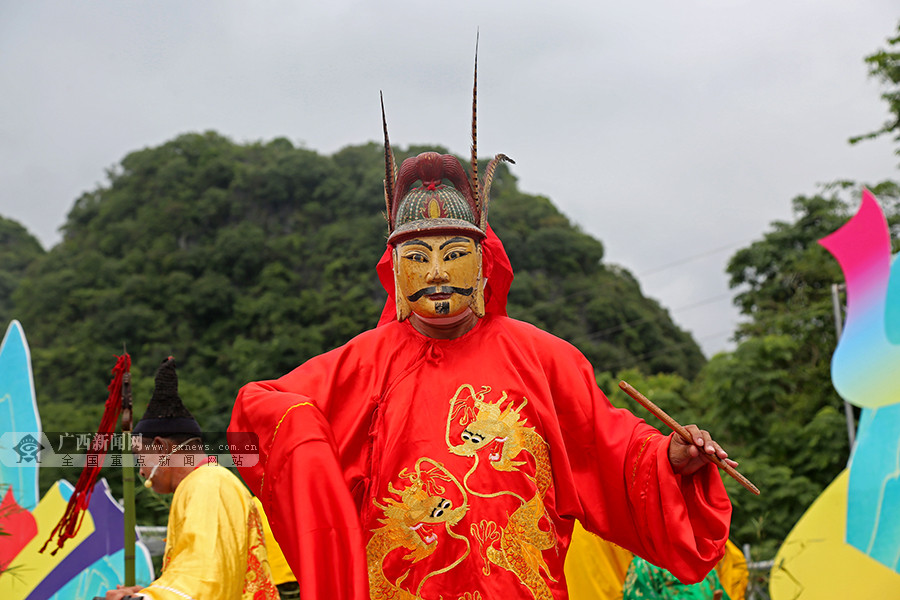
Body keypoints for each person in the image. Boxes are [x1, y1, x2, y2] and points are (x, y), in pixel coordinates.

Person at [228, 74, 734, 599]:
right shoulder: (360, 364)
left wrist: (670, 458)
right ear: (394, 270)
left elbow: (606, 449)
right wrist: (302, 443)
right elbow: (255, 415)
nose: (436, 273)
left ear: (484, 264)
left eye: (454, 254)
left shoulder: (543, 359)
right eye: (418, 258)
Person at [106, 357, 279, 600]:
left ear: (160, 447)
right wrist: (148, 592)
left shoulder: (208, 485)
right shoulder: (205, 482)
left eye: (140, 456)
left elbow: (205, 578)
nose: (141, 471)